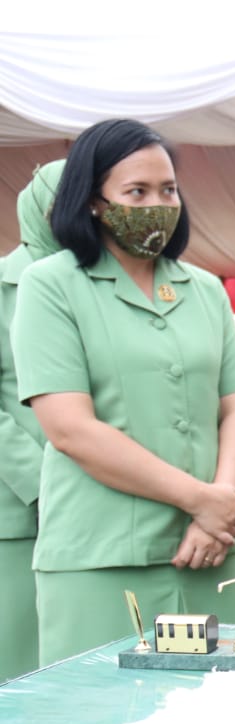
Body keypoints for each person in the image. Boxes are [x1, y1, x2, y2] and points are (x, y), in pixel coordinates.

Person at [12, 119, 235, 665]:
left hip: (211, 553)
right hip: (102, 559)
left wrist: (223, 506)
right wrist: (202, 501)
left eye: (168, 190)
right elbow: (69, 428)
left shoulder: (205, 289)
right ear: (94, 201)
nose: (158, 204)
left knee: (213, 719)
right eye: (136, 192)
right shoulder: (51, 285)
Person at [0, 159, 63, 681]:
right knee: (18, 654)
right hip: (18, 512)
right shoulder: (1, 287)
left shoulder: (104, 287)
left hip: (98, 501)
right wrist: (42, 485)